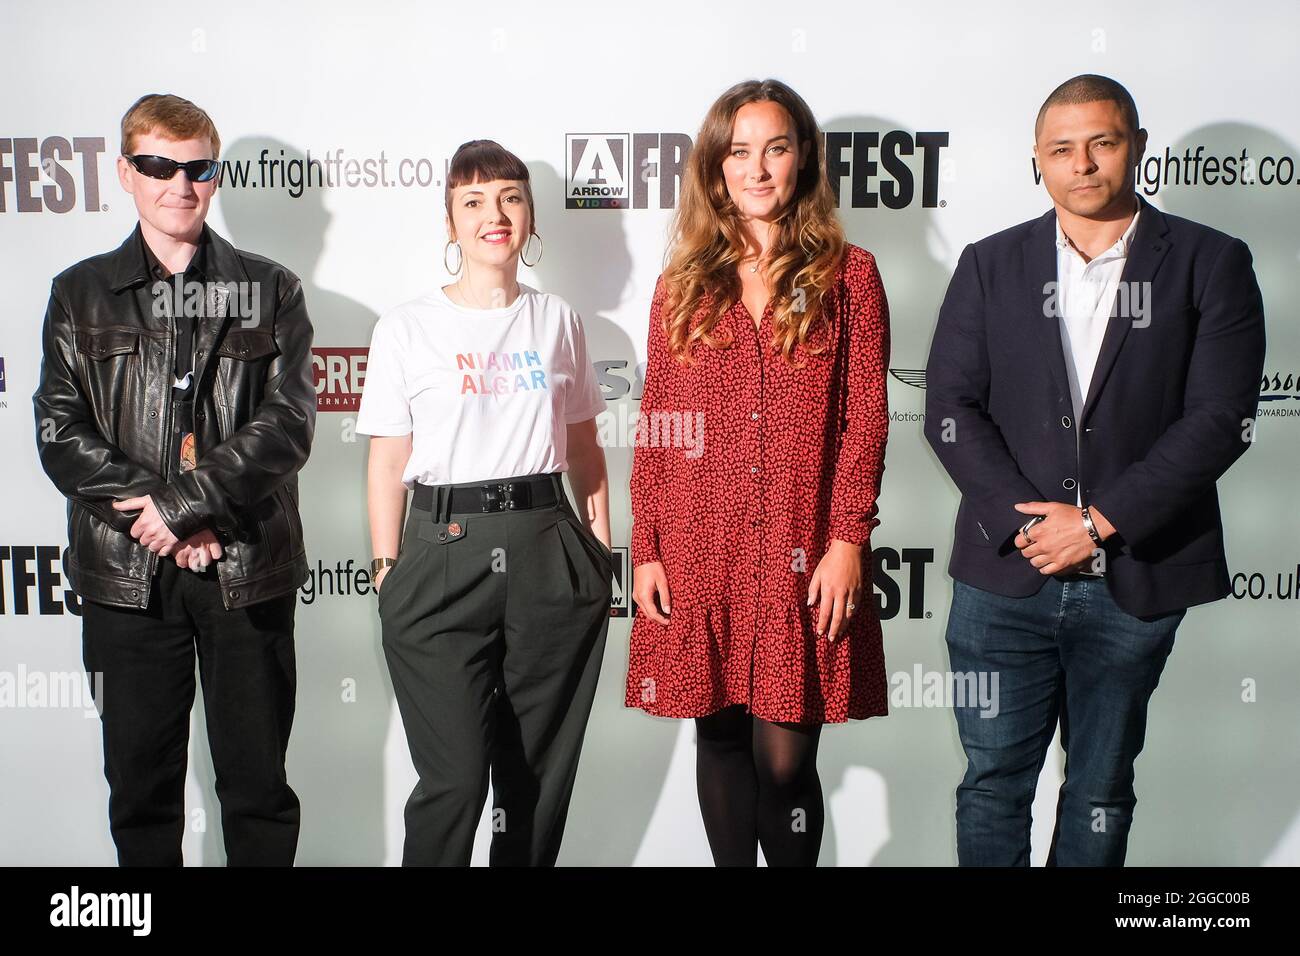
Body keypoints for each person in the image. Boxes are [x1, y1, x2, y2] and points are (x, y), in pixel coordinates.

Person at [925, 74, 1266, 866]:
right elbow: (950, 408)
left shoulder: (1211, 263)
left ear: (1138, 147)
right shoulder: (989, 264)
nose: (1083, 165)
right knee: (991, 784)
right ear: (1037, 162)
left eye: (1102, 143)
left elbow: (1221, 421)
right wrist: (1033, 523)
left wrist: (1098, 522)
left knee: (1102, 787)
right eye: (1061, 150)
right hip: (1004, 575)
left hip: (1135, 578)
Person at [32, 93, 316, 866]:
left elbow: (288, 425)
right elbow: (61, 432)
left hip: (243, 566)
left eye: (197, 169)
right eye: (159, 166)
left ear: (216, 177)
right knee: (141, 793)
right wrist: (156, 517)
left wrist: (186, 507)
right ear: (126, 172)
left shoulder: (274, 289)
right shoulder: (79, 291)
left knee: (258, 791)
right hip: (129, 575)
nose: (178, 184)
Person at [626, 79, 891, 867]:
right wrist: (648, 546)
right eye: (738, 152)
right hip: (699, 542)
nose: (758, 168)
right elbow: (659, 426)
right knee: (718, 735)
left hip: (799, 549)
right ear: (715, 168)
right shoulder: (682, 284)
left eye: (775, 148)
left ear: (803, 157)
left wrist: (847, 540)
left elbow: (866, 420)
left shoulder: (851, 275)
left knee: (785, 762)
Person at [358, 139, 612, 866]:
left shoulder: (557, 319)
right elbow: (387, 461)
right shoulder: (405, 328)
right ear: (450, 222)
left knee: (534, 784)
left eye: (509, 197)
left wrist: (597, 556)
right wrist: (386, 567)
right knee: (455, 782)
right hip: (440, 552)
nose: (494, 215)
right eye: (473, 201)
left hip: (548, 547)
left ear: (529, 215)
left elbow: (586, 451)